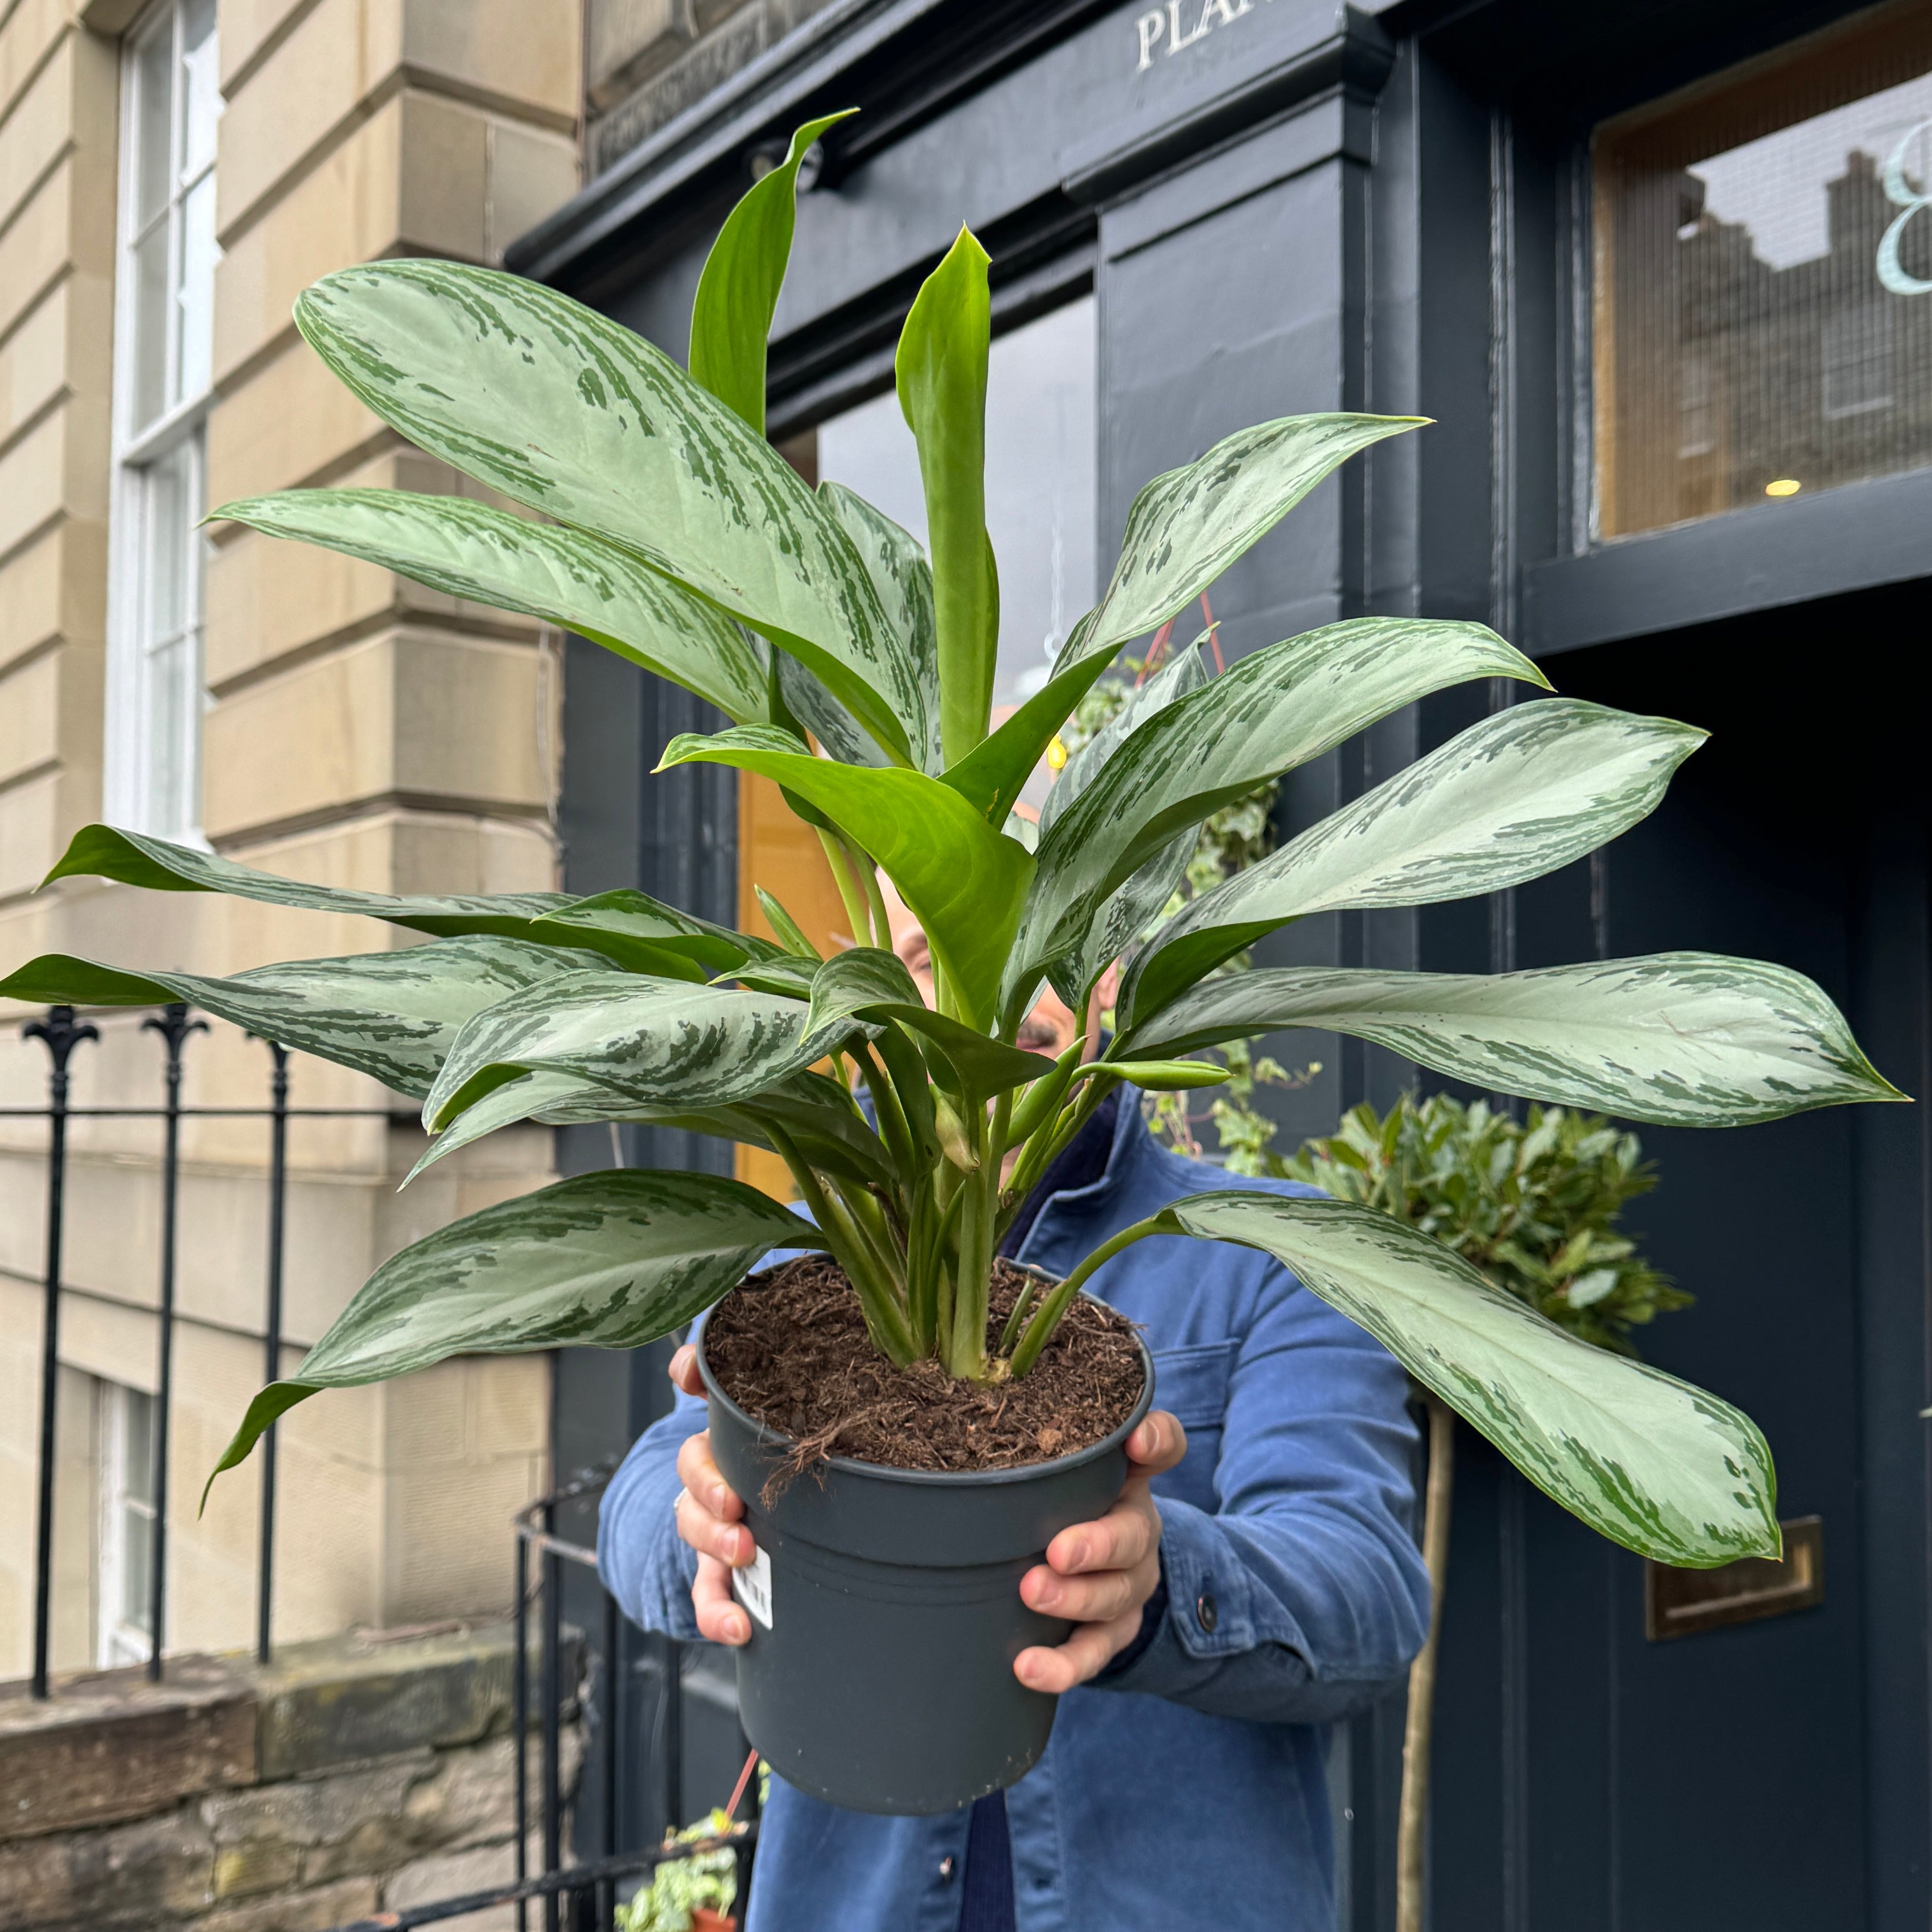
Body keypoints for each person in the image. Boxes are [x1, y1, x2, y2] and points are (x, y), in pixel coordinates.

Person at [598, 906, 1431, 1930]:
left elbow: (1371, 1594)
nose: (983, 998)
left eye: (1032, 944)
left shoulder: (1271, 1259)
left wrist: (1156, 1584)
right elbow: (643, 1493)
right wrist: (704, 1533)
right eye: (926, 957)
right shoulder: (798, 1271)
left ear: (1110, 985)